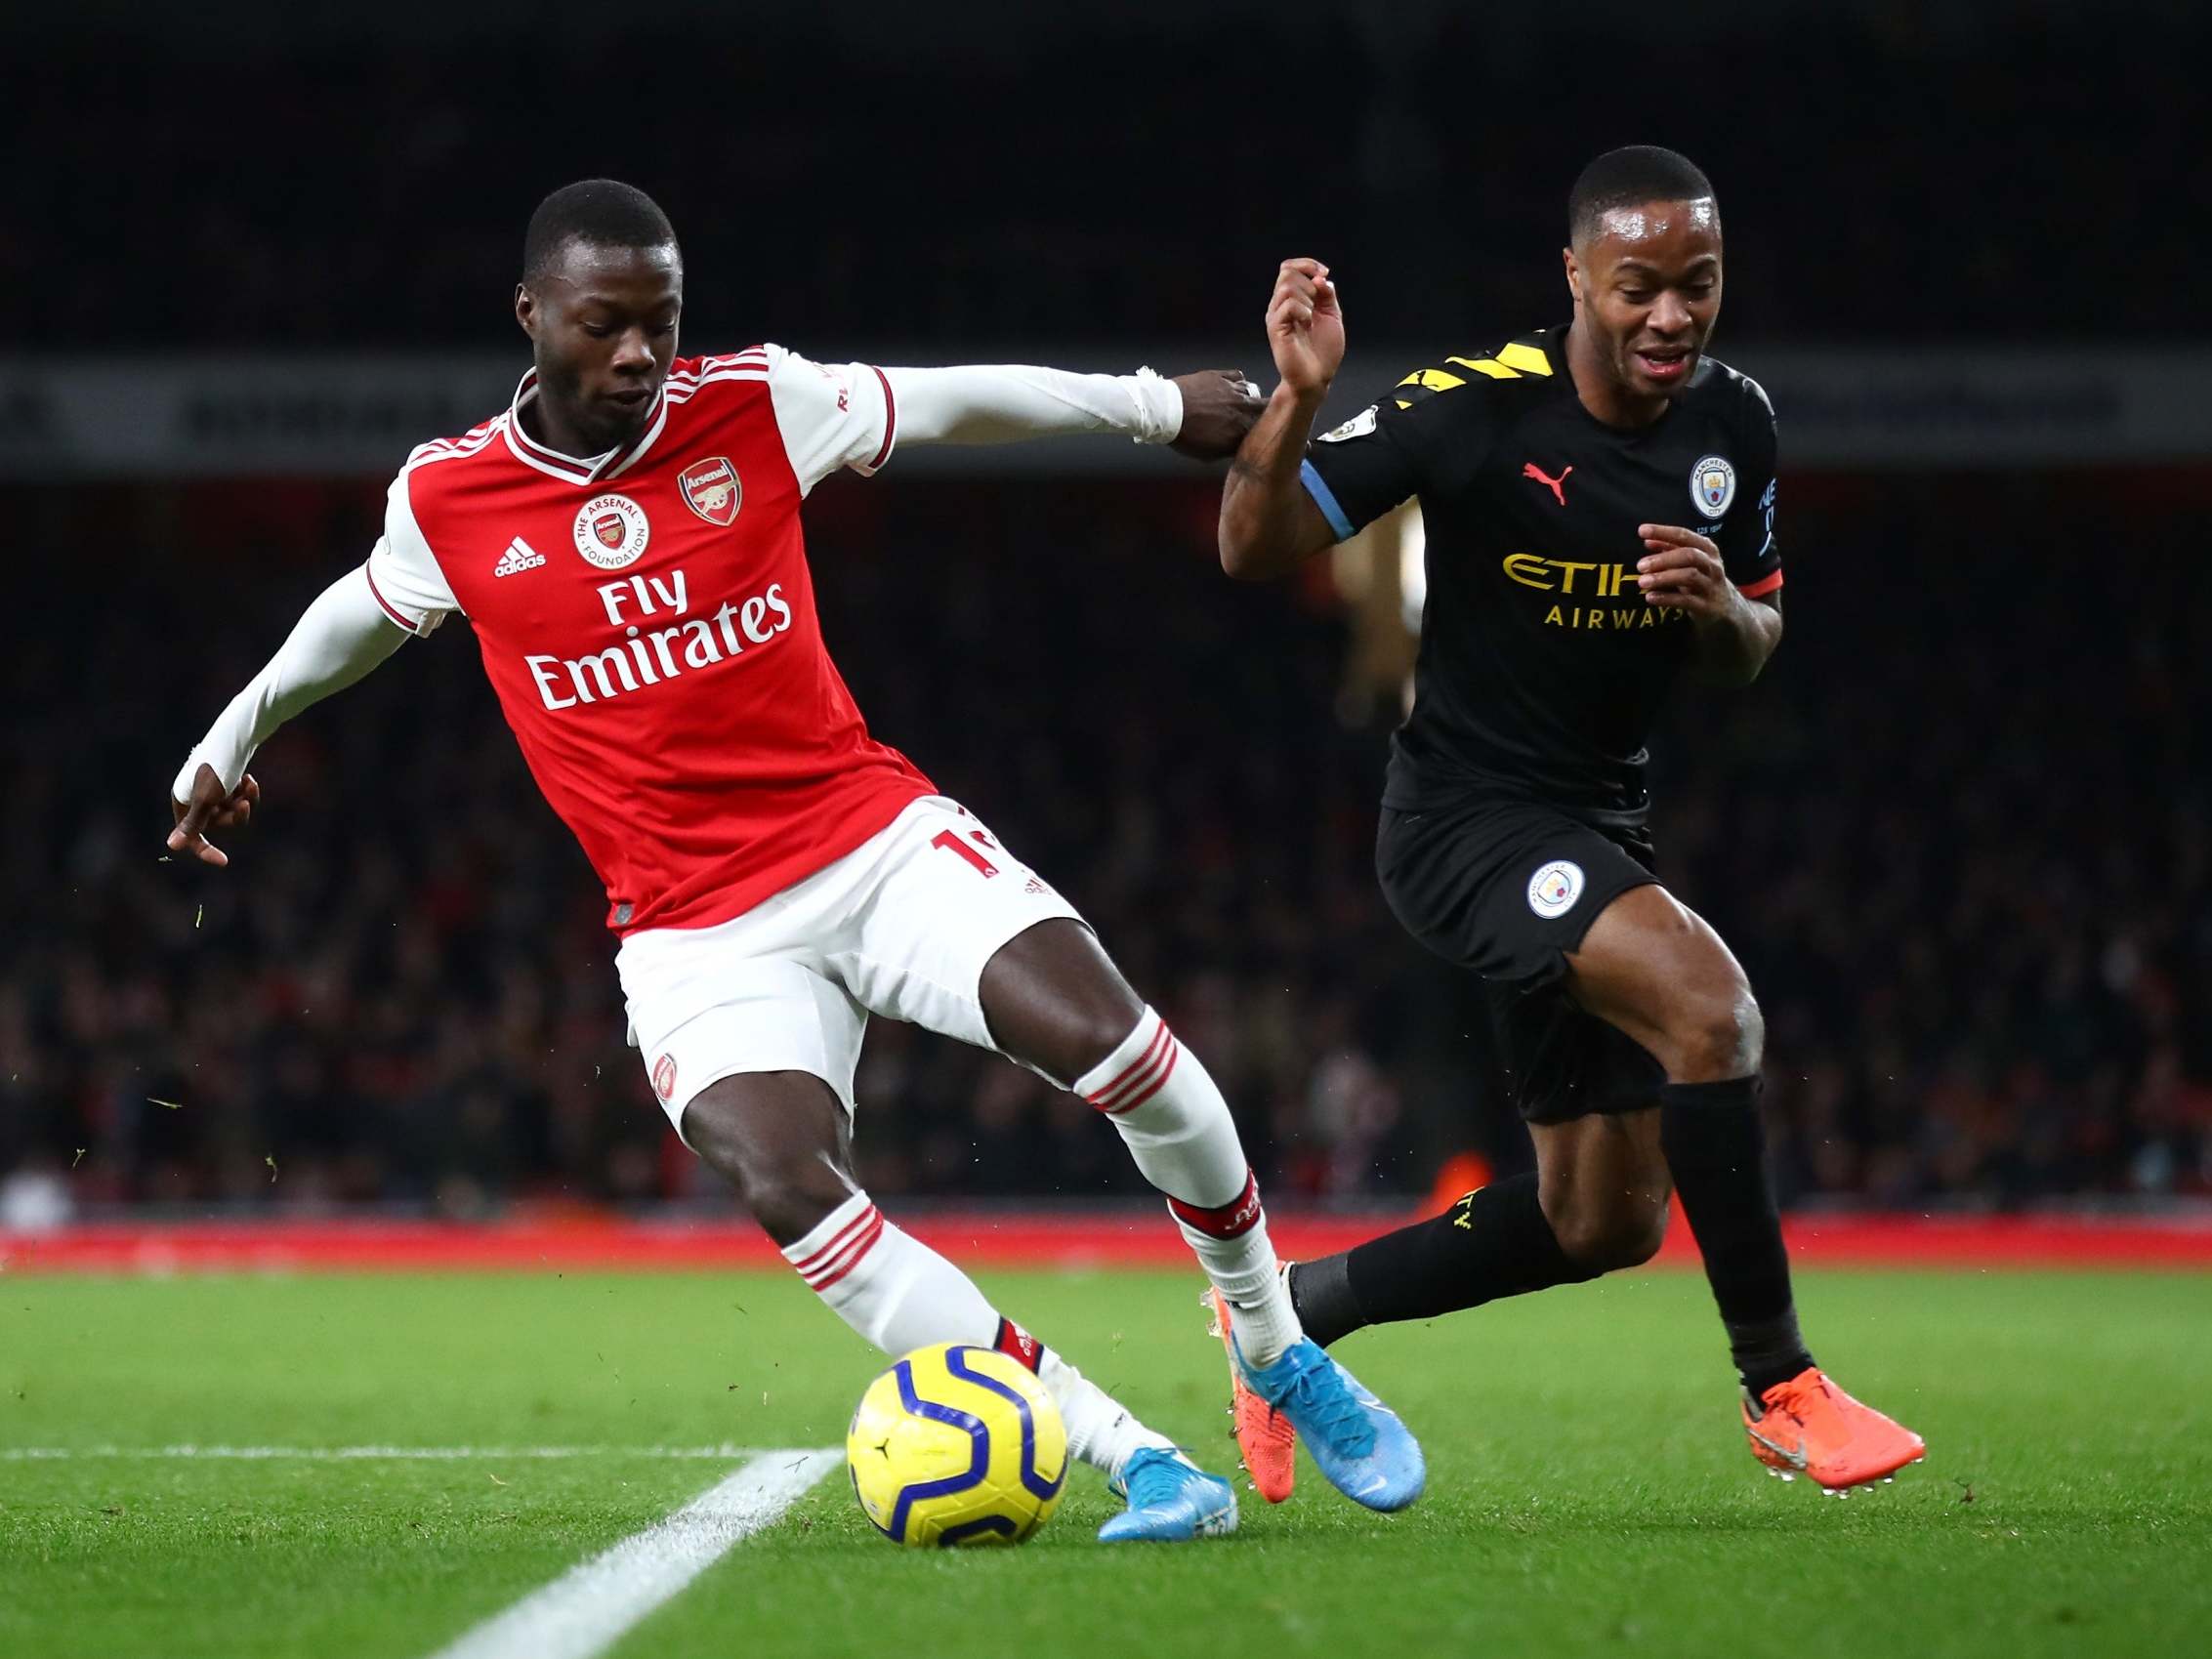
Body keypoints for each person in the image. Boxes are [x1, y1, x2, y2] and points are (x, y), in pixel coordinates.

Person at [167, 178, 1424, 1542]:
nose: (640, 353)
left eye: (660, 321)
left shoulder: (753, 402)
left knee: (1129, 1055)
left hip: (867, 843)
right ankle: (1134, 1457)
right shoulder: (452, 495)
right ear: (532, 317)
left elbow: (951, 401)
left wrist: (1149, 404)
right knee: (784, 1179)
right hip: (695, 933)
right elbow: (357, 615)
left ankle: (1268, 1339)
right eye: (605, 325)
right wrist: (234, 738)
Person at [1210, 146, 1922, 1502]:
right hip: (1462, 822)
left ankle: (1288, 1317)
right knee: (1712, 1013)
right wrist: (1299, 400)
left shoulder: (1736, 426)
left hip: (1597, 824)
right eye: (1638, 287)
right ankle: (1781, 1387)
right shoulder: (1473, 412)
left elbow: (1755, 642)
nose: (1670, 316)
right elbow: (1251, 547)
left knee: (1599, 1219)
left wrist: (1721, 612)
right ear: (1577, 279)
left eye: (1696, 287)